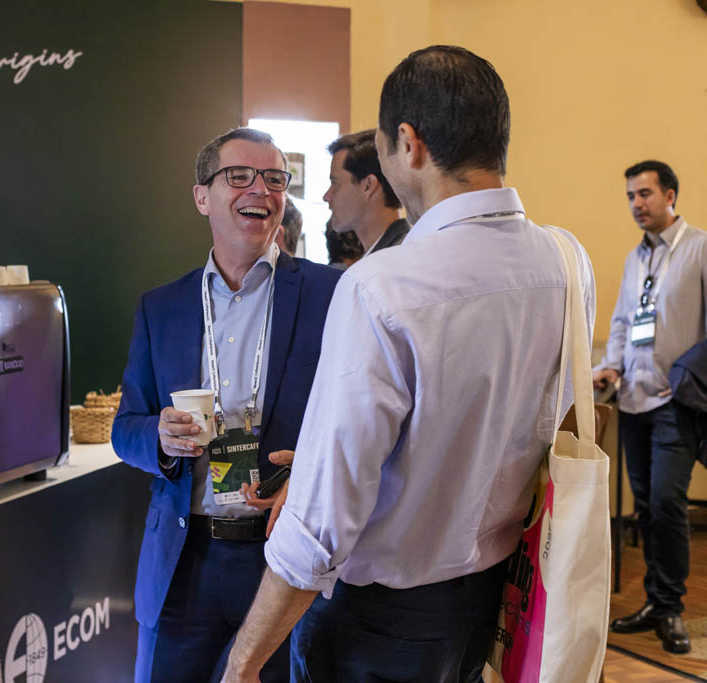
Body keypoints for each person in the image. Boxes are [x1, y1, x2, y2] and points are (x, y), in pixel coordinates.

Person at [223, 45, 595, 683]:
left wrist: (243, 662)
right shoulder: (567, 260)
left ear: (408, 144)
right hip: (496, 598)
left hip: (379, 623)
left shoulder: (381, 286)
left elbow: (317, 530)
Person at [112, 127, 341, 682]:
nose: (259, 189)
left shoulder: (332, 295)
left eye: (275, 178)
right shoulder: (161, 308)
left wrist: (308, 475)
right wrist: (158, 438)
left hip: (284, 558)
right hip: (184, 561)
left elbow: (355, 426)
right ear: (202, 197)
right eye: (239, 176)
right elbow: (125, 427)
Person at [594, 160, 706, 654]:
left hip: (675, 402)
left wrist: (686, 377)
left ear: (670, 195)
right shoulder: (635, 258)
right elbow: (623, 321)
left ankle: (671, 607)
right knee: (645, 506)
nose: (636, 204)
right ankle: (657, 603)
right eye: (630, 197)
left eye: (645, 194)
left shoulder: (699, 248)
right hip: (634, 399)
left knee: (665, 503)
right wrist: (609, 366)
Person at [324, 129, 410, 255]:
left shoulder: (397, 258)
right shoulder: (389, 252)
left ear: (368, 185)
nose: (326, 196)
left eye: (335, 183)